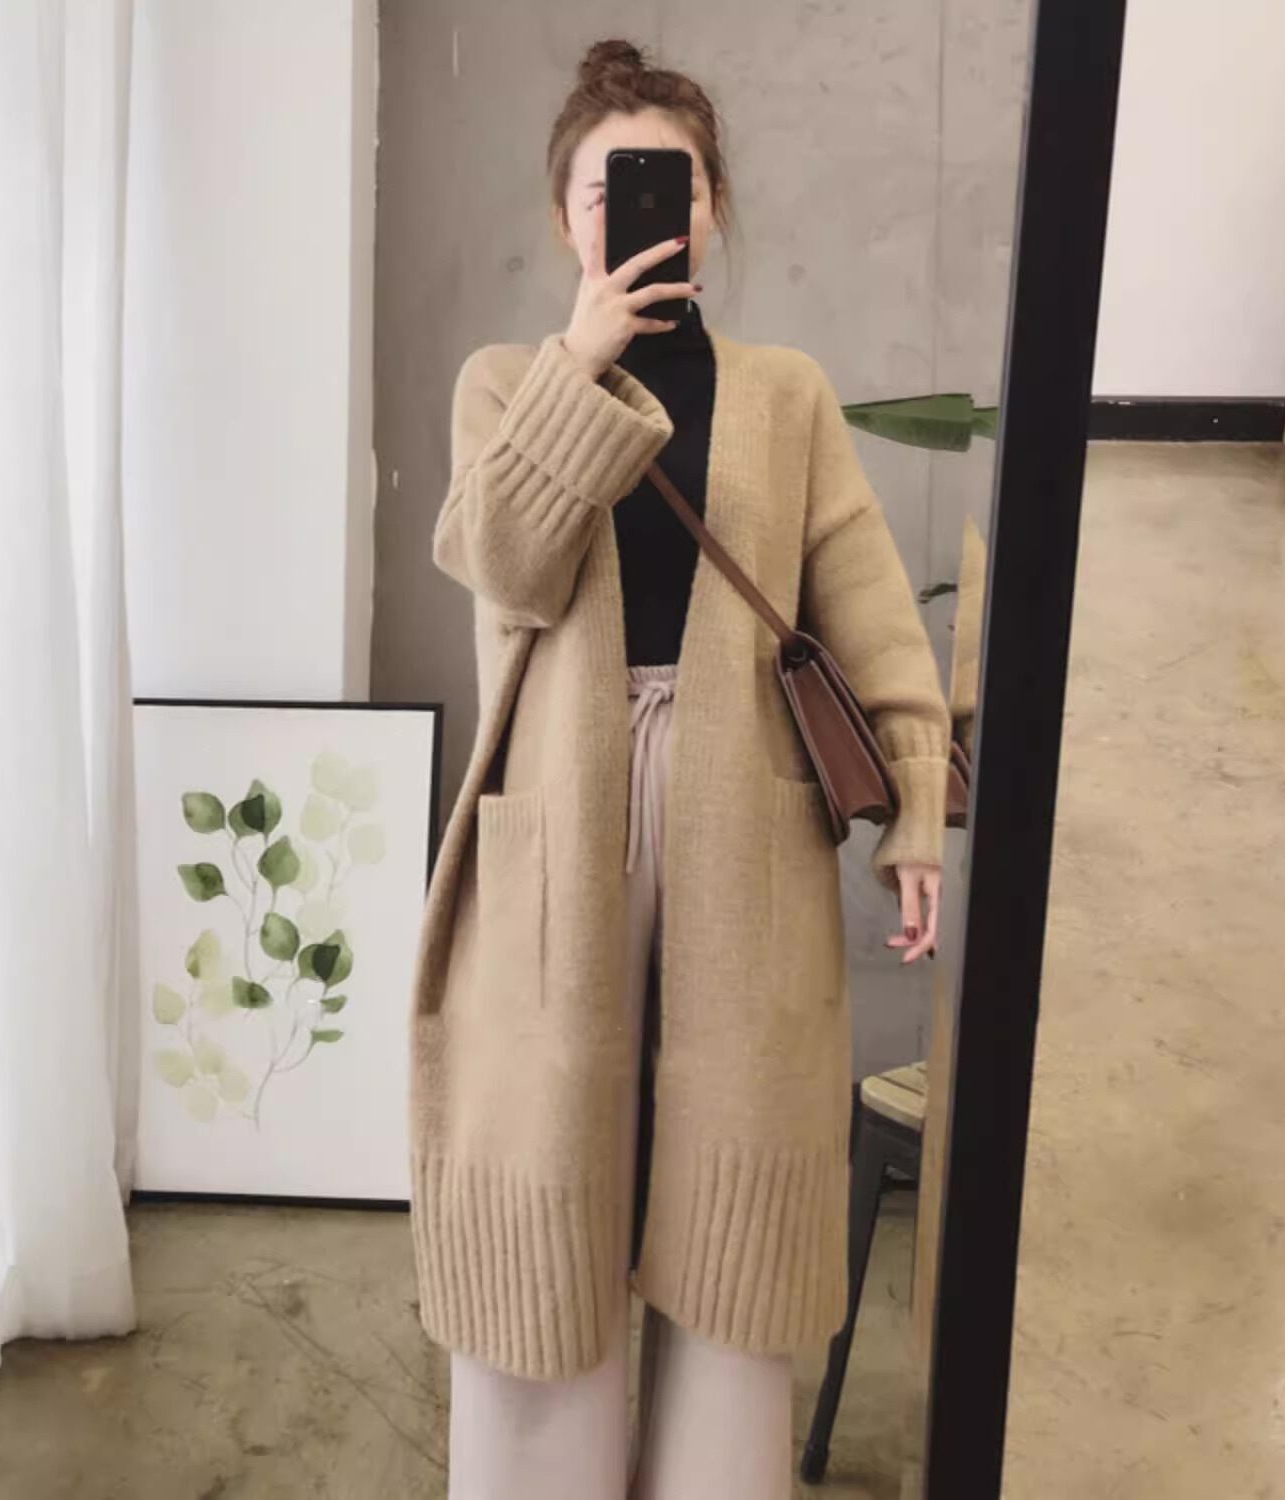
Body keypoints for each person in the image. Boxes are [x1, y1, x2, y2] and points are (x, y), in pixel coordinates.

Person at [406, 37, 952, 1500]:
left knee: (728, 1205)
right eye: (610, 188)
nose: (646, 209)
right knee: (550, 1193)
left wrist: (913, 804)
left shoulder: (785, 394)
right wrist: (583, 366)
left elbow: (866, 607)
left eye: (675, 183)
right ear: (563, 218)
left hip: (738, 827)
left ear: (712, 208)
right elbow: (505, 565)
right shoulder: (504, 385)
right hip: (562, 830)